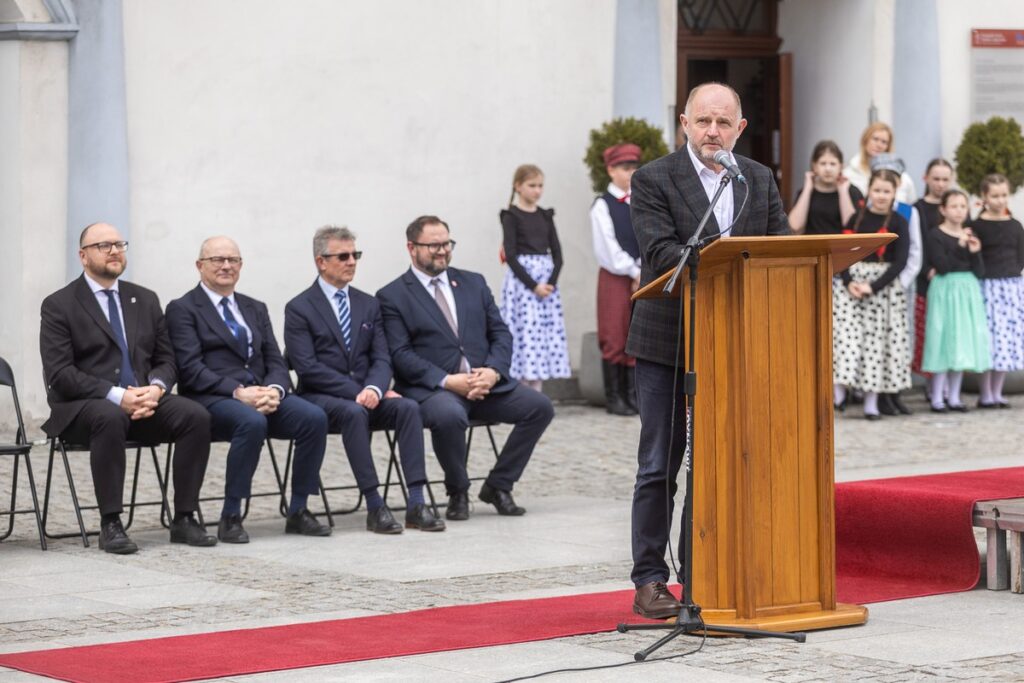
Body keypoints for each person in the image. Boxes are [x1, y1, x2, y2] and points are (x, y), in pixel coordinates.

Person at [625, 82, 789, 619]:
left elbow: (780, 249)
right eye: (702, 122)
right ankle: (650, 579)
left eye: (723, 123)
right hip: (667, 340)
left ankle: (705, 571)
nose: (712, 132)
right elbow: (660, 251)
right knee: (659, 463)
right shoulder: (653, 178)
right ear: (684, 123)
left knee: (719, 461)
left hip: (736, 342)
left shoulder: (758, 178)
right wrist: (722, 260)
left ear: (740, 128)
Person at [40, 222, 216, 554]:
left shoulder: (144, 299)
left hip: (143, 399)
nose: (114, 251)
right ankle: (111, 523)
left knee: (196, 416)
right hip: (83, 406)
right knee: (110, 416)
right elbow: (60, 374)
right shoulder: (59, 304)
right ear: (82, 256)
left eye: (119, 244)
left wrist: (156, 388)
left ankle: (184, 518)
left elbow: (167, 359)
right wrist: (118, 395)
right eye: (103, 246)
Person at [377, 215, 554, 521]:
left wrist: (493, 372)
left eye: (447, 243)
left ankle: (499, 485)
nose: (442, 251)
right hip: (434, 391)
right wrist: (447, 380)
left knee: (540, 407)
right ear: (411, 248)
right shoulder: (392, 296)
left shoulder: (473, 282)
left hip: (487, 385)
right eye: (433, 245)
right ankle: (457, 490)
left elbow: (500, 333)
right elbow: (400, 354)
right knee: (449, 415)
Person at [165, 237, 331, 543]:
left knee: (314, 418)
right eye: (218, 260)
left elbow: (275, 359)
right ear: (199, 266)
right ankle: (231, 515)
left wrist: (277, 390)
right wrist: (238, 392)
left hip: (261, 394)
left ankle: (298, 510)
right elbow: (190, 367)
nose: (226, 266)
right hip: (212, 398)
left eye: (233, 260)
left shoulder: (255, 307)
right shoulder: (183, 309)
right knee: (251, 422)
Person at [285, 226, 445, 533]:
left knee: (409, 407)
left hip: (367, 393)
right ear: (321, 261)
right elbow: (307, 367)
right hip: (322, 397)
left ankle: (416, 502)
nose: (351, 262)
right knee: (354, 412)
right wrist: (360, 392)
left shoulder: (368, 304)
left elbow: (382, 357)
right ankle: (375, 505)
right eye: (342, 256)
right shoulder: (299, 308)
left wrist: (374, 387)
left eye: (355, 255)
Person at [833, 170, 912, 420]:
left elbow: (900, 261)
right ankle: (838, 394)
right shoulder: (857, 218)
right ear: (869, 191)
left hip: (882, 289)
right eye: (877, 190)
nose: (881, 196)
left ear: (894, 193)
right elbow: (841, 251)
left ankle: (871, 403)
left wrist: (874, 286)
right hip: (852, 287)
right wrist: (848, 282)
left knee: (876, 346)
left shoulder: (899, 221)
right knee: (846, 340)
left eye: (886, 191)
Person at [498, 164, 571, 393]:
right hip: (524, 285)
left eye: (540, 186)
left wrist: (550, 283)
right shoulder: (511, 216)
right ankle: (520, 392)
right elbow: (510, 255)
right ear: (518, 186)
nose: (537, 191)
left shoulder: (545, 215)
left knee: (542, 337)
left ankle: (536, 393)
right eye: (532, 185)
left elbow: (558, 254)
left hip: (546, 284)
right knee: (524, 336)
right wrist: (533, 286)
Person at [921, 190, 991, 411]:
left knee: (962, 339)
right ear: (943, 209)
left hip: (966, 290)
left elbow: (979, 271)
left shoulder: (970, 234)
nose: (959, 211)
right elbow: (943, 266)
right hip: (946, 290)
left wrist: (975, 251)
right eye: (954, 206)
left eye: (963, 206)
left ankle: (954, 396)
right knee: (942, 338)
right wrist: (959, 246)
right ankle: (937, 397)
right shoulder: (936, 235)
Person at [591, 143, 643, 416]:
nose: (630, 173)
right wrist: (632, 271)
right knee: (614, 333)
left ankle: (633, 395)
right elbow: (607, 248)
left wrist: (643, 269)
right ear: (611, 170)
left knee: (636, 332)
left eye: (634, 167)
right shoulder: (602, 205)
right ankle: (614, 397)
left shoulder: (641, 201)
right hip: (616, 276)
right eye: (624, 168)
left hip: (640, 274)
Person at [868, 154, 922, 417]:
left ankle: (895, 394)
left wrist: (901, 282)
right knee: (878, 342)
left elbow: (914, 251)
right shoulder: (866, 211)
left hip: (899, 285)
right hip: (875, 285)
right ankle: (878, 396)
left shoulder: (908, 212)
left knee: (899, 342)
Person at [969, 174, 1024, 408]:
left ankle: (997, 391)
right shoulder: (976, 226)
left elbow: (1021, 254)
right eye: (995, 196)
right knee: (989, 339)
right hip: (987, 286)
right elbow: (974, 257)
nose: (1000, 200)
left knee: (1006, 340)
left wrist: (1013, 273)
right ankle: (985, 393)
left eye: (1003, 195)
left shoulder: (1015, 225)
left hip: (1010, 286)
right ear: (984, 196)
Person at [911, 159, 955, 387]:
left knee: (948, 332)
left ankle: (943, 386)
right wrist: (926, 270)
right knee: (928, 332)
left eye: (945, 179)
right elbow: (916, 244)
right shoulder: (917, 208)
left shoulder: (956, 207)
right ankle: (930, 384)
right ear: (925, 178)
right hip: (926, 280)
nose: (940, 184)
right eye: (936, 179)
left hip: (951, 282)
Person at [788, 140, 862, 234]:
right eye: (823, 163)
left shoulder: (852, 192)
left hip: (840, 247)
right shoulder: (805, 191)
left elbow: (851, 225)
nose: (828, 169)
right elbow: (795, 226)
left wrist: (843, 192)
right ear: (814, 166)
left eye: (833, 164)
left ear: (841, 166)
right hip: (812, 247)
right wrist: (807, 189)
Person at [843, 122, 918, 205]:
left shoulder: (903, 178)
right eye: (875, 139)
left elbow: (911, 204)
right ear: (865, 140)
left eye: (884, 142)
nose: (879, 145)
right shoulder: (849, 174)